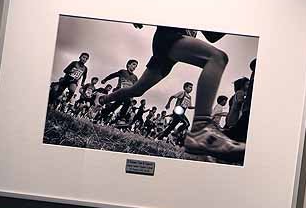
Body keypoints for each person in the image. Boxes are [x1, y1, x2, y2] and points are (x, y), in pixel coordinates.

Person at [95, 25, 245, 160]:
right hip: (169, 36)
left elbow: (212, 36)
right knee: (217, 58)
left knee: (137, 90)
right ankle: (200, 129)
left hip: (169, 53)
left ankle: (103, 99)